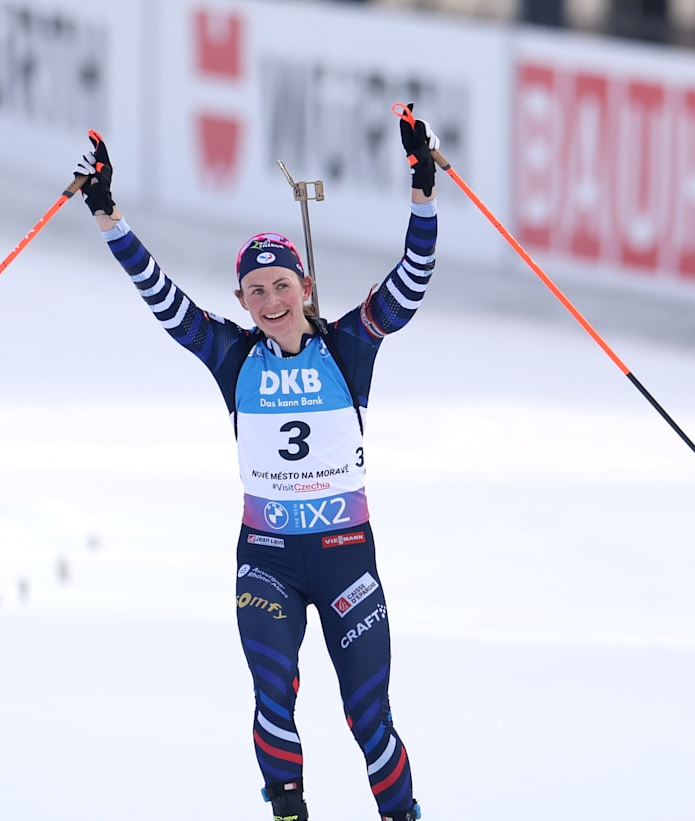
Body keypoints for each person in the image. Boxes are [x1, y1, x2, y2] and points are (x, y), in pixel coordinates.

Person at [74, 107, 441, 821]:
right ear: (240, 299)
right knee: (274, 696)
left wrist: (422, 191)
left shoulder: (350, 345)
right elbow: (162, 297)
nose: (271, 301)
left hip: (345, 557)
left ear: (305, 286)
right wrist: (107, 215)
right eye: (256, 290)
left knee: (368, 714)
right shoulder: (231, 355)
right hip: (267, 559)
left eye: (281, 285)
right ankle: (287, 812)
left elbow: (411, 281)